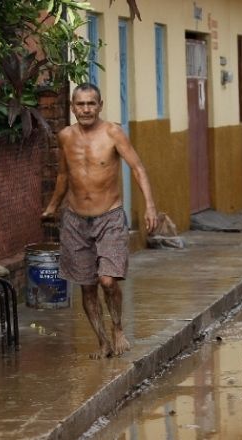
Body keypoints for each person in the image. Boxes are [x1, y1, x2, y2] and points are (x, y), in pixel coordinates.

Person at [42, 83, 158, 359]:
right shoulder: (65, 136)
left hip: (110, 217)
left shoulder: (113, 133)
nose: (85, 109)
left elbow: (138, 168)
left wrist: (150, 206)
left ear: (100, 105)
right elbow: (62, 176)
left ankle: (117, 328)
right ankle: (102, 341)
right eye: (80, 104)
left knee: (107, 280)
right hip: (75, 219)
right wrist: (52, 206)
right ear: (72, 107)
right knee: (87, 285)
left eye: (90, 104)